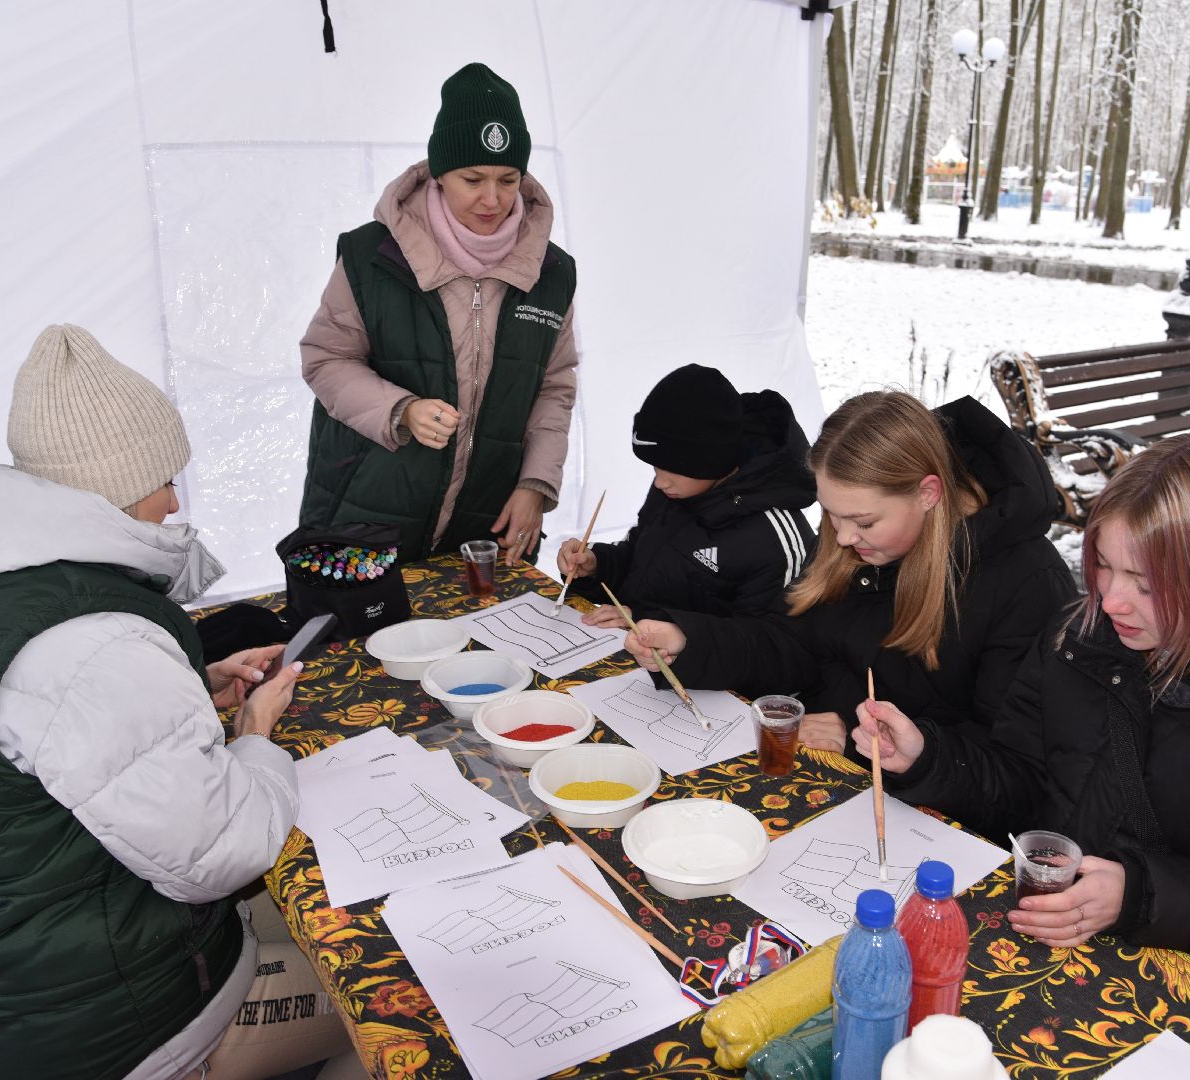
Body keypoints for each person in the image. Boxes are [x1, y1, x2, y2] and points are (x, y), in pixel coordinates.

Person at [0, 325, 357, 1080]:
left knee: (312, 919)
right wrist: (255, 732)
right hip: (120, 1028)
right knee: (394, 1005)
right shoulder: (90, 645)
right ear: (114, 484)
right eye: (164, 478)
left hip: (7, 989)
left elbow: (44, 745)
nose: (172, 504)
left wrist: (193, 689)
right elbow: (220, 852)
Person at [852, 434, 1190, 1011]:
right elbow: (1027, 785)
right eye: (1104, 567)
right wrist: (933, 758)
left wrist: (1144, 897)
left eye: (1146, 584)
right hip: (1071, 962)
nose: (1112, 600)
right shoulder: (1077, 640)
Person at [625, 391, 1075, 766]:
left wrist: (871, 744)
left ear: (927, 493)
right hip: (832, 765)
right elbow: (792, 643)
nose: (841, 536)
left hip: (927, 816)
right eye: (829, 514)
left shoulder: (1026, 582)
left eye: (862, 521)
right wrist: (690, 642)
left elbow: (1013, 764)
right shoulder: (859, 541)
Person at [299, 61, 577, 566]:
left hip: (484, 527)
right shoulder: (372, 257)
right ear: (440, 173)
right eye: (472, 178)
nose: (491, 199)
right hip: (364, 513)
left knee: (484, 645)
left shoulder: (551, 272)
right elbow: (325, 359)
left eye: (508, 179)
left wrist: (537, 483)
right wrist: (399, 409)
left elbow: (554, 386)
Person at [557, 363, 816, 628]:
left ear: (709, 460)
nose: (659, 482)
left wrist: (650, 624)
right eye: (655, 468)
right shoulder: (680, 486)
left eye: (670, 469)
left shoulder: (773, 541)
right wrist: (595, 566)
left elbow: (763, 647)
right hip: (635, 648)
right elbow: (640, 563)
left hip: (687, 666)